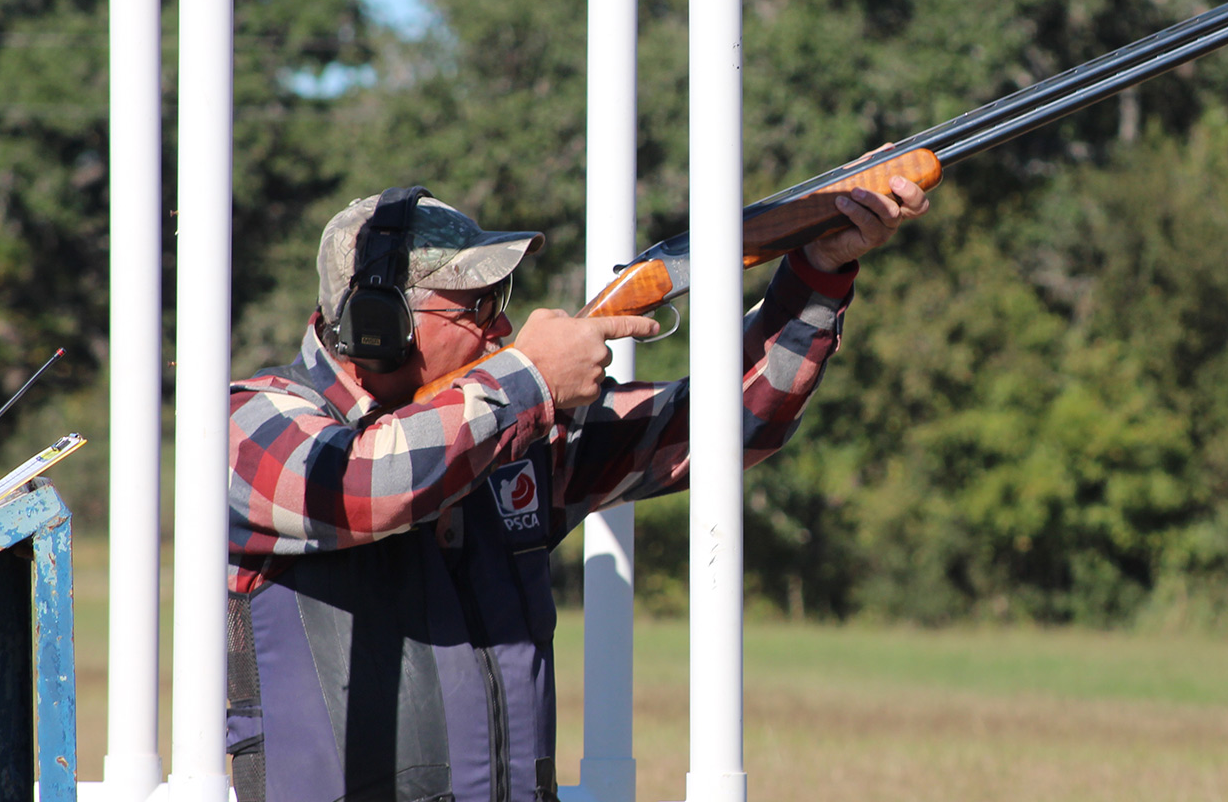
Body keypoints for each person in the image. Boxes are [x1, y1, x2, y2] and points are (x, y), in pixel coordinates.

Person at [226, 180, 928, 802]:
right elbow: (364, 484)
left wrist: (815, 273)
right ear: (377, 323)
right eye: (475, 306)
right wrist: (529, 377)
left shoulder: (511, 437)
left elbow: (726, 425)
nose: (500, 327)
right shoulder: (253, 420)